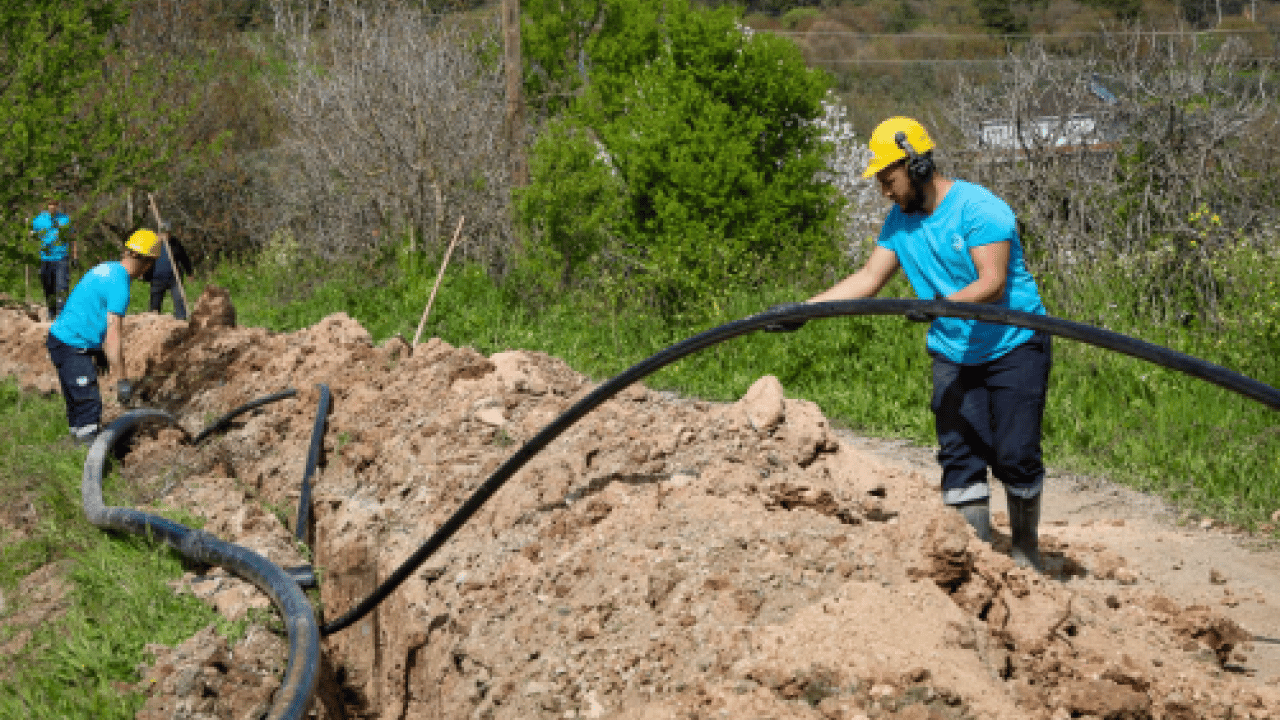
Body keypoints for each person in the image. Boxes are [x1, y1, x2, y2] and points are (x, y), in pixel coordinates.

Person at [772, 117, 1052, 571]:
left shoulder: (980, 209)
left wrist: (942, 305)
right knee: (960, 457)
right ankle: (977, 564)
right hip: (953, 349)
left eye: (889, 178)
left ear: (917, 166)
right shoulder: (898, 222)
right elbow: (869, 278)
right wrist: (804, 310)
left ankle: (1025, 554)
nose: (884, 190)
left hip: (1014, 343)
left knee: (1015, 455)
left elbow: (992, 283)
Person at [46, 229, 161, 445]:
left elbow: (89, 309)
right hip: (72, 344)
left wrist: (96, 351)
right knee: (88, 402)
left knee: (76, 401)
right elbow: (113, 334)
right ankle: (89, 447)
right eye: (151, 263)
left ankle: (75, 443)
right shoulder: (120, 284)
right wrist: (122, 379)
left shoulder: (108, 268)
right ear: (146, 262)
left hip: (61, 340)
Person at [32, 197, 77, 321]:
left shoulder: (65, 219)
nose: (52, 206)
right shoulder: (38, 220)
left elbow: (73, 237)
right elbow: (32, 237)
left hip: (61, 257)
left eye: (55, 204)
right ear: (46, 205)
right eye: (50, 204)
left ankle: (62, 315)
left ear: (58, 205)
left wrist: (75, 256)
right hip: (45, 258)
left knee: (62, 286)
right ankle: (51, 313)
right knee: (48, 286)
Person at [146, 223, 193, 320]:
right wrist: (143, 274)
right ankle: (153, 320)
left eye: (168, 233)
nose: (166, 235)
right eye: (163, 233)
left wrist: (189, 273)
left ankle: (181, 319)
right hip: (157, 279)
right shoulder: (152, 244)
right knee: (155, 303)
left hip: (174, 278)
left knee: (179, 298)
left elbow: (184, 258)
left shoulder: (175, 244)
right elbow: (144, 260)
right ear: (158, 234)